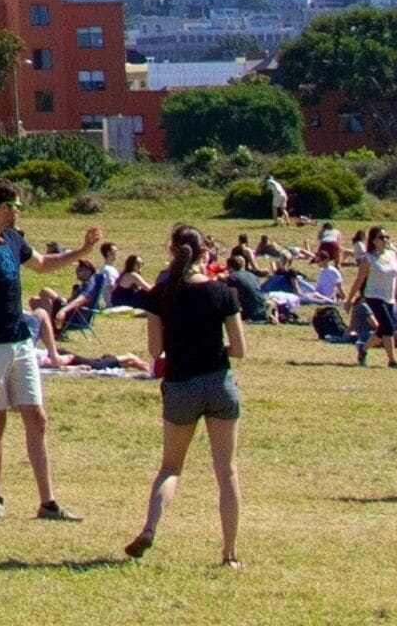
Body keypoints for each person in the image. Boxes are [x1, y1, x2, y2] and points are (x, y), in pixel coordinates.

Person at [0, 179, 103, 522]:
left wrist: (82, 252)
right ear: (1, 207)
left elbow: (41, 264)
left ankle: (48, 502)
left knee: (36, 417)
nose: (17, 212)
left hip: (18, 339)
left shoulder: (13, 238)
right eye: (15, 206)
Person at [122, 223, 244, 566]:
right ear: (205, 252)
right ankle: (230, 554)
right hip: (219, 381)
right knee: (227, 471)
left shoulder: (161, 294)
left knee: (171, 468)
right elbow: (239, 349)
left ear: (172, 252)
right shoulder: (223, 293)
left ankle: (149, 528)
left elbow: (155, 350)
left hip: (180, 385)